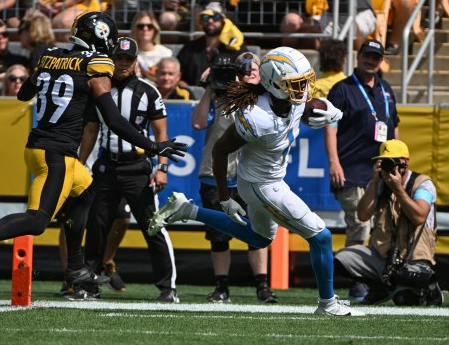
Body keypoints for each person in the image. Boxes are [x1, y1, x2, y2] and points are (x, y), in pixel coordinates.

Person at [0, 12, 187, 299]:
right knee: (38, 221)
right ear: (101, 36)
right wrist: (152, 146)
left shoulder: (50, 55)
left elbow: (23, 95)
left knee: (85, 192)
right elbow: (113, 120)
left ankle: (76, 269)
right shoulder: (95, 65)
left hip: (41, 147)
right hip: (56, 154)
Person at [150, 47, 365, 316]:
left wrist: (328, 109)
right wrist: (225, 197)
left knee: (259, 238)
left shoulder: (289, 96)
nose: (302, 89)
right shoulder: (257, 117)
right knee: (320, 236)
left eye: (303, 82)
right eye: (295, 84)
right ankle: (327, 303)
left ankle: (188, 210)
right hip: (261, 185)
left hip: (269, 180)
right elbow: (220, 150)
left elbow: (307, 106)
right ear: (275, 84)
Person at [80, 37, 179, 302]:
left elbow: (161, 133)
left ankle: (168, 287)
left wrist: (163, 168)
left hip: (137, 168)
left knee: (153, 226)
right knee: (96, 226)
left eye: (128, 59)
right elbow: (91, 129)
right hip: (107, 166)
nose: (123, 63)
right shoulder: (100, 88)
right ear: (111, 59)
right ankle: (90, 282)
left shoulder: (148, 91)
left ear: (135, 61)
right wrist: (79, 164)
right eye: (119, 58)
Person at [191, 51, 277, 304]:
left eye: (255, 67)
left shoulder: (268, 99)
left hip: (252, 176)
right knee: (219, 236)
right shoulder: (220, 97)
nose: (250, 70)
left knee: (258, 232)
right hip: (216, 177)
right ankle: (221, 287)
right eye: (244, 67)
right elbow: (197, 123)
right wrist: (209, 88)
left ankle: (262, 286)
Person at [325, 39, 400, 301]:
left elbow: (394, 125)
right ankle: (356, 282)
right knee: (359, 226)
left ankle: (378, 281)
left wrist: (399, 159)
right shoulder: (342, 89)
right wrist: (334, 161)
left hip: (382, 170)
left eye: (376, 57)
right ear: (357, 56)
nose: (371, 60)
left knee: (382, 228)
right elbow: (330, 127)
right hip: (351, 170)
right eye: (367, 55)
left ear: (381, 60)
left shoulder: (386, 88)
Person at [334, 139, 443, 306]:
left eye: (393, 161)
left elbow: (419, 217)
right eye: (384, 161)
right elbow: (362, 215)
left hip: (413, 258)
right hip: (382, 254)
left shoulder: (422, 184)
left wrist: (398, 189)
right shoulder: (379, 183)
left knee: (405, 301)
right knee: (341, 260)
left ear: (405, 162)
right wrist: (375, 181)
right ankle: (379, 287)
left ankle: (430, 288)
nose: (389, 166)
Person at [176, 2, 248, 86]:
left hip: (227, 96)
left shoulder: (235, 48)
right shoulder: (189, 48)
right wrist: (188, 90)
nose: (210, 21)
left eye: (216, 17)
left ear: (223, 21)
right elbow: (177, 75)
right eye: (205, 17)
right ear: (201, 22)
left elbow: (247, 74)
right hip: (194, 97)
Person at [25, 0, 103, 42]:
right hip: (48, 7)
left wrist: (64, 5)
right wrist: (40, 3)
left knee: (64, 21)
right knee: (30, 19)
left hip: (82, 6)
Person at [129, 10, 173, 83]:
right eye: (141, 26)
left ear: (155, 29)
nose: (145, 29)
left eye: (150, 26)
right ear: (135, 29)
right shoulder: (129, 53)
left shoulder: (166, 54)